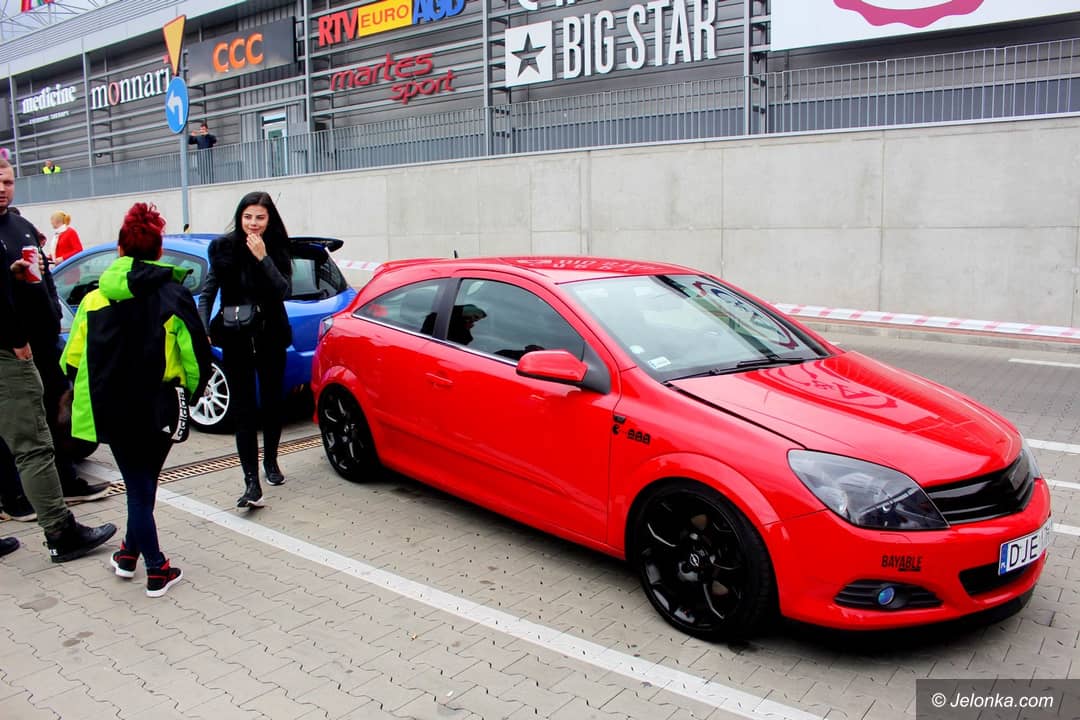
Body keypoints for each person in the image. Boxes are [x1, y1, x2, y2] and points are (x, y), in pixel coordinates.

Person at [62, 203, 212, 596]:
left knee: (139, 487)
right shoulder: (174, 296)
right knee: (143, 488)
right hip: (159, 406)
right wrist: (191, 393)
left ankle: (129, 554)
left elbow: (71, 360)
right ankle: (156, 567)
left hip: (112, 407)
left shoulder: (93, 300)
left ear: (120, 250)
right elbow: (196, 357)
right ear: (159, 252)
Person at [0, 156, 116, 561]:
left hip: (38, 341)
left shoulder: (18, 226)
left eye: (7, 181)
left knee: (43, 427)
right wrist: (15, 339)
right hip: (12, 351)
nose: (2, 188)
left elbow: (42, 278)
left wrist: (43, 308)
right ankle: (60, 533)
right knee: (32, 443)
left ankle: (59, 493)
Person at [198, 191, 292, 509]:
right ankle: (251, 481)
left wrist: (264, 258)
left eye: (260, 217)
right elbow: (208, 292)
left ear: (269, 219)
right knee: (243, 409)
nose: (253, 223)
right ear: (240, 217)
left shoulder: (277, 246)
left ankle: (271, 461)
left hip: (270, 335)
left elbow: (284, 290)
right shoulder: (223, 247)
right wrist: (203, 327)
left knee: (272, 402)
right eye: (248, 216)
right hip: (236, 336)